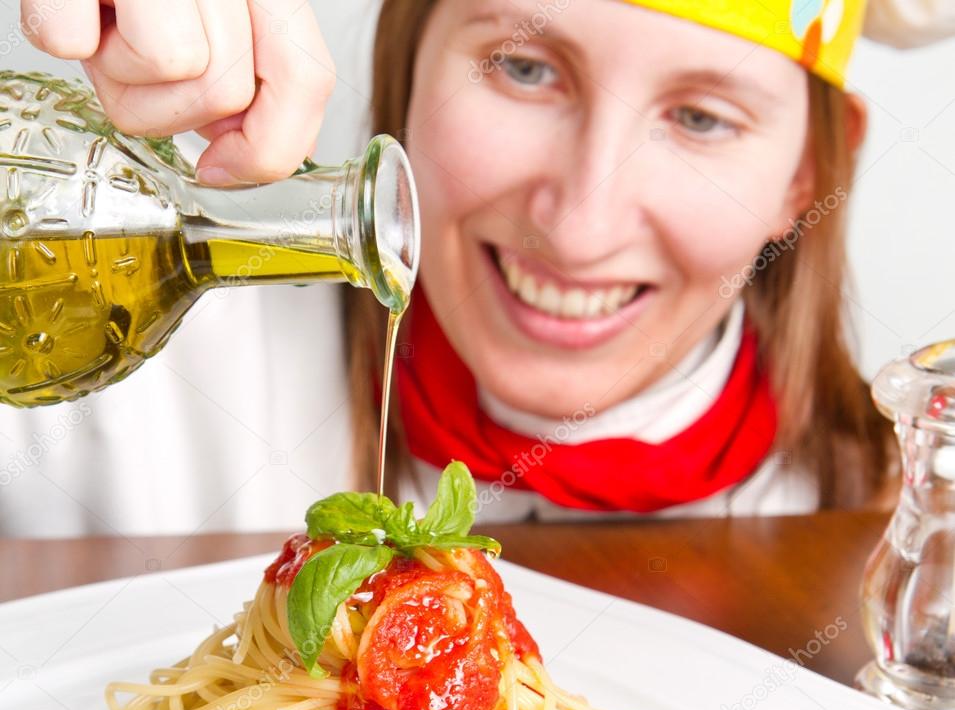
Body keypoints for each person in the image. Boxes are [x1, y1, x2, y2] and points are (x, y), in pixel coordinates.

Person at [8, 0, 955, 535]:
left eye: (700, 119)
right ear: (403, 66)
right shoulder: (120, 334)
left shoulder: (907, 517)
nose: (579, 227)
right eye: (523, 69)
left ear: (806, 174)